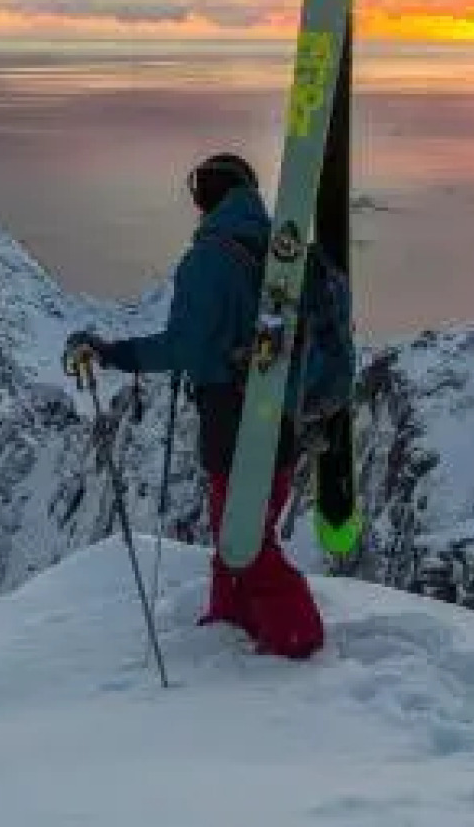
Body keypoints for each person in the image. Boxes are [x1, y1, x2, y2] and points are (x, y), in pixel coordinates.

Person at [67, 153, 326, 660]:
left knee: (243, 535)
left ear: (208, 198)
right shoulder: (278, 250)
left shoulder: (211, 258)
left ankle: (296, 637)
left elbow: (184, 345)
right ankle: (231, 621)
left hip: (234, 419)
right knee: (240, 527)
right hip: (283, 416)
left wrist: (116, 354)